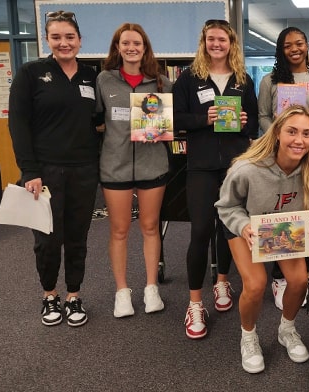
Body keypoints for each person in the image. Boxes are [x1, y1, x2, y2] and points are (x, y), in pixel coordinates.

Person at [215, 105, 309, 374]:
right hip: (246, 224)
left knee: (299, 281)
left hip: (283, 228)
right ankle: (249, 336)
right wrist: (243, 227)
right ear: (277, 133)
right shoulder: (247, 168)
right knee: (255, 284)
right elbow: (226, 207)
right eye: (291, 132)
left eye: (307, 134)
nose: (299, 140)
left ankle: (286, 329)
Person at [7, 10, 99, 327]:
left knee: (77, 236)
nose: (64, 43)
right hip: (44, 171)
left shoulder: (91, 75)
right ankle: (50, 295)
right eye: (56, 37)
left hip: (85, 170)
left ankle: (74, 295)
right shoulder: (31, 73)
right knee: (47, 240)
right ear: (47, 40)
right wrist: (29, 171)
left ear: (80, 40)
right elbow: (18, 125)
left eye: (69, 37)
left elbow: (96, 121)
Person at [173, 19, 259, 339]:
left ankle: (222, 282)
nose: (216, 44)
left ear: (231, 43)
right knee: (200, 231)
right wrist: (202, 118)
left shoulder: (242, 79)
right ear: (204, 42)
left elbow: (252, 126)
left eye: (222, 39)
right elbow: (175, 118)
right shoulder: (188, 79)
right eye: (211, 39)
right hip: (201, 166)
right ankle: (195, 302)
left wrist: (247, 122)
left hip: (234, 167)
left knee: (229, 230)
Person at [95, 23, 172, 318]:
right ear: (117, 47)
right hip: (115, 166)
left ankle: (151, 287)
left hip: (153, 164)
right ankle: (122, 292)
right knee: (119, 229)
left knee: (151, 227)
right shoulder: (104, 80)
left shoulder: (161, 82)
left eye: (137, 43)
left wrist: (161, 127)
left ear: (145, 47)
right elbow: (96, 120)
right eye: (125, 43)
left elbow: (171, 123)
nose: (131, 48)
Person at [258, 26, 309, 310]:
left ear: (306, 45)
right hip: (280, 159)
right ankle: (279, 276)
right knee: (282, 212)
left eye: (299, 43)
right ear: (281, 49)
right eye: (288, 45)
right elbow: (263, 116)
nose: (294, 49)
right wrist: (280, 135)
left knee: (308, 212)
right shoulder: (270, 81)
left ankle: (300, 273)